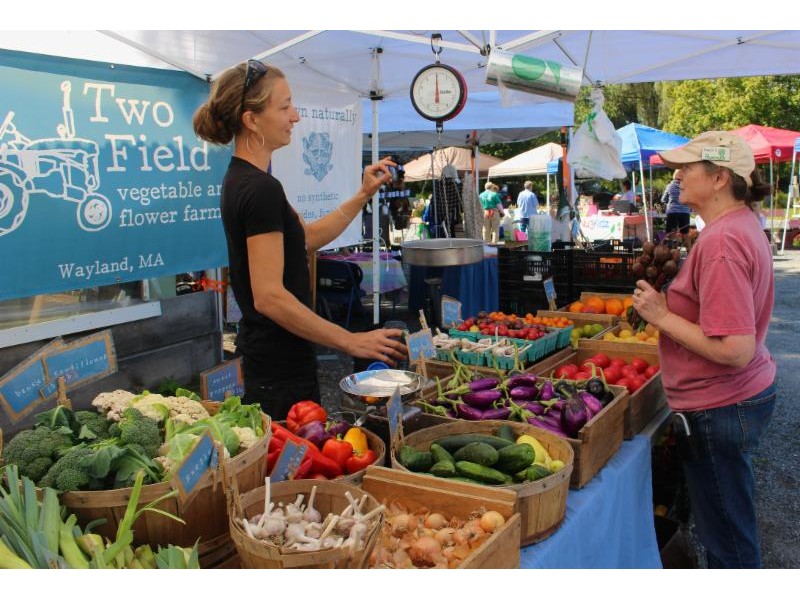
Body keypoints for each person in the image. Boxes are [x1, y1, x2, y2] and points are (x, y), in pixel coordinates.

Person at [193, 59, 407, 420]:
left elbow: (306, 239)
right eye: (285, 106)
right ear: (251, 119)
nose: (295, 116)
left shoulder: (251, 181)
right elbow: (269, 297)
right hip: (276, 368)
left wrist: (362, 193)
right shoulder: (258, 187)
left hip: (281, 358)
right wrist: (350, 340)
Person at [632, 131, 776, 568]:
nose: (676, 177)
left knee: (728, 540)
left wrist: (660, 315)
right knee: (727, 521)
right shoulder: (738, 226)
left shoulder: (721, 244)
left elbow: (735, 349)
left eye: (686, 168)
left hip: (721, 404)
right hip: (735, 400)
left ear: (718, 178)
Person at [662, 169, 691, 234]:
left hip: (672, 211)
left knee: (671, 233)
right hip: (685, 212)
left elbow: (663, 199)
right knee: (685, 233)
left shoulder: (669, 186)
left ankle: (673, 243)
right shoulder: (687, 186)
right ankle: (686, 244)